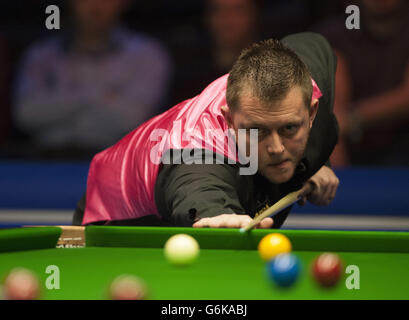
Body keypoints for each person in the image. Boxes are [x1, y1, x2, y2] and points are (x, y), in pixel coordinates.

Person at [73, 32, 339, 229]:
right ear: (230, 119)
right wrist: (215, 214)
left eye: (290, 128)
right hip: (120, 221)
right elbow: (197, 189)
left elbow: (313, 42)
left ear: (312, 112)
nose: (277, 148)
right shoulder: (197, 153)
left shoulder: (309, 81)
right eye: (257, 130)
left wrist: (318, 162)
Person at [13, 0, 172, 159]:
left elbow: (134, 120)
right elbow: (25, 115)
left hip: (119, 162)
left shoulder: (148, 54)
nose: (96, 4)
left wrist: (59, 105)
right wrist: (103, 95)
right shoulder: (41, 54)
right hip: (44, 162)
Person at [318, 0, 409, 166]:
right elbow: (333, 112)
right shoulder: (336, 34)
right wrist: (341, 182)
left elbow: (406, 98)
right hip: (353, 152)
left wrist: (354, 117)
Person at [170, 0, 260, 105]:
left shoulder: (271, 71)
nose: (227, 19)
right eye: (217, 10)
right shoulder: (188, 74)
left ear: (254, 15)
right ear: (206, 17)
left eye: (237, 10)